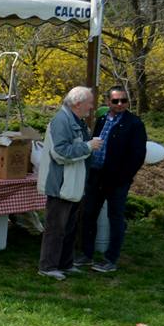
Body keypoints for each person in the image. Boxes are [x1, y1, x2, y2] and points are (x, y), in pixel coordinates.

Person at [74, 86, 147, 274]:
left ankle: (110, 259)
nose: (120, 104)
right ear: (108, 102)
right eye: (116, 101)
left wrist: (123, 178)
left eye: (123, 100)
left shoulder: (134, 124)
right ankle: (86, 254)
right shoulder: (102, 119)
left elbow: (138, 156)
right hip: (96, 175)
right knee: (89, 214)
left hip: (117, 180)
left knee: (115, 218)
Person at [36, 86, 102, 281]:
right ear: (77, 103)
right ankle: (47, 267)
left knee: (70, 227)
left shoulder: (76, 121)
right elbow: (61, 152)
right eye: (89, 103)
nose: (91, 107)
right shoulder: (61, 121)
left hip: (73, 184)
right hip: (61, 184)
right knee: (55, 228)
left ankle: (65, 263)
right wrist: (89, 146)